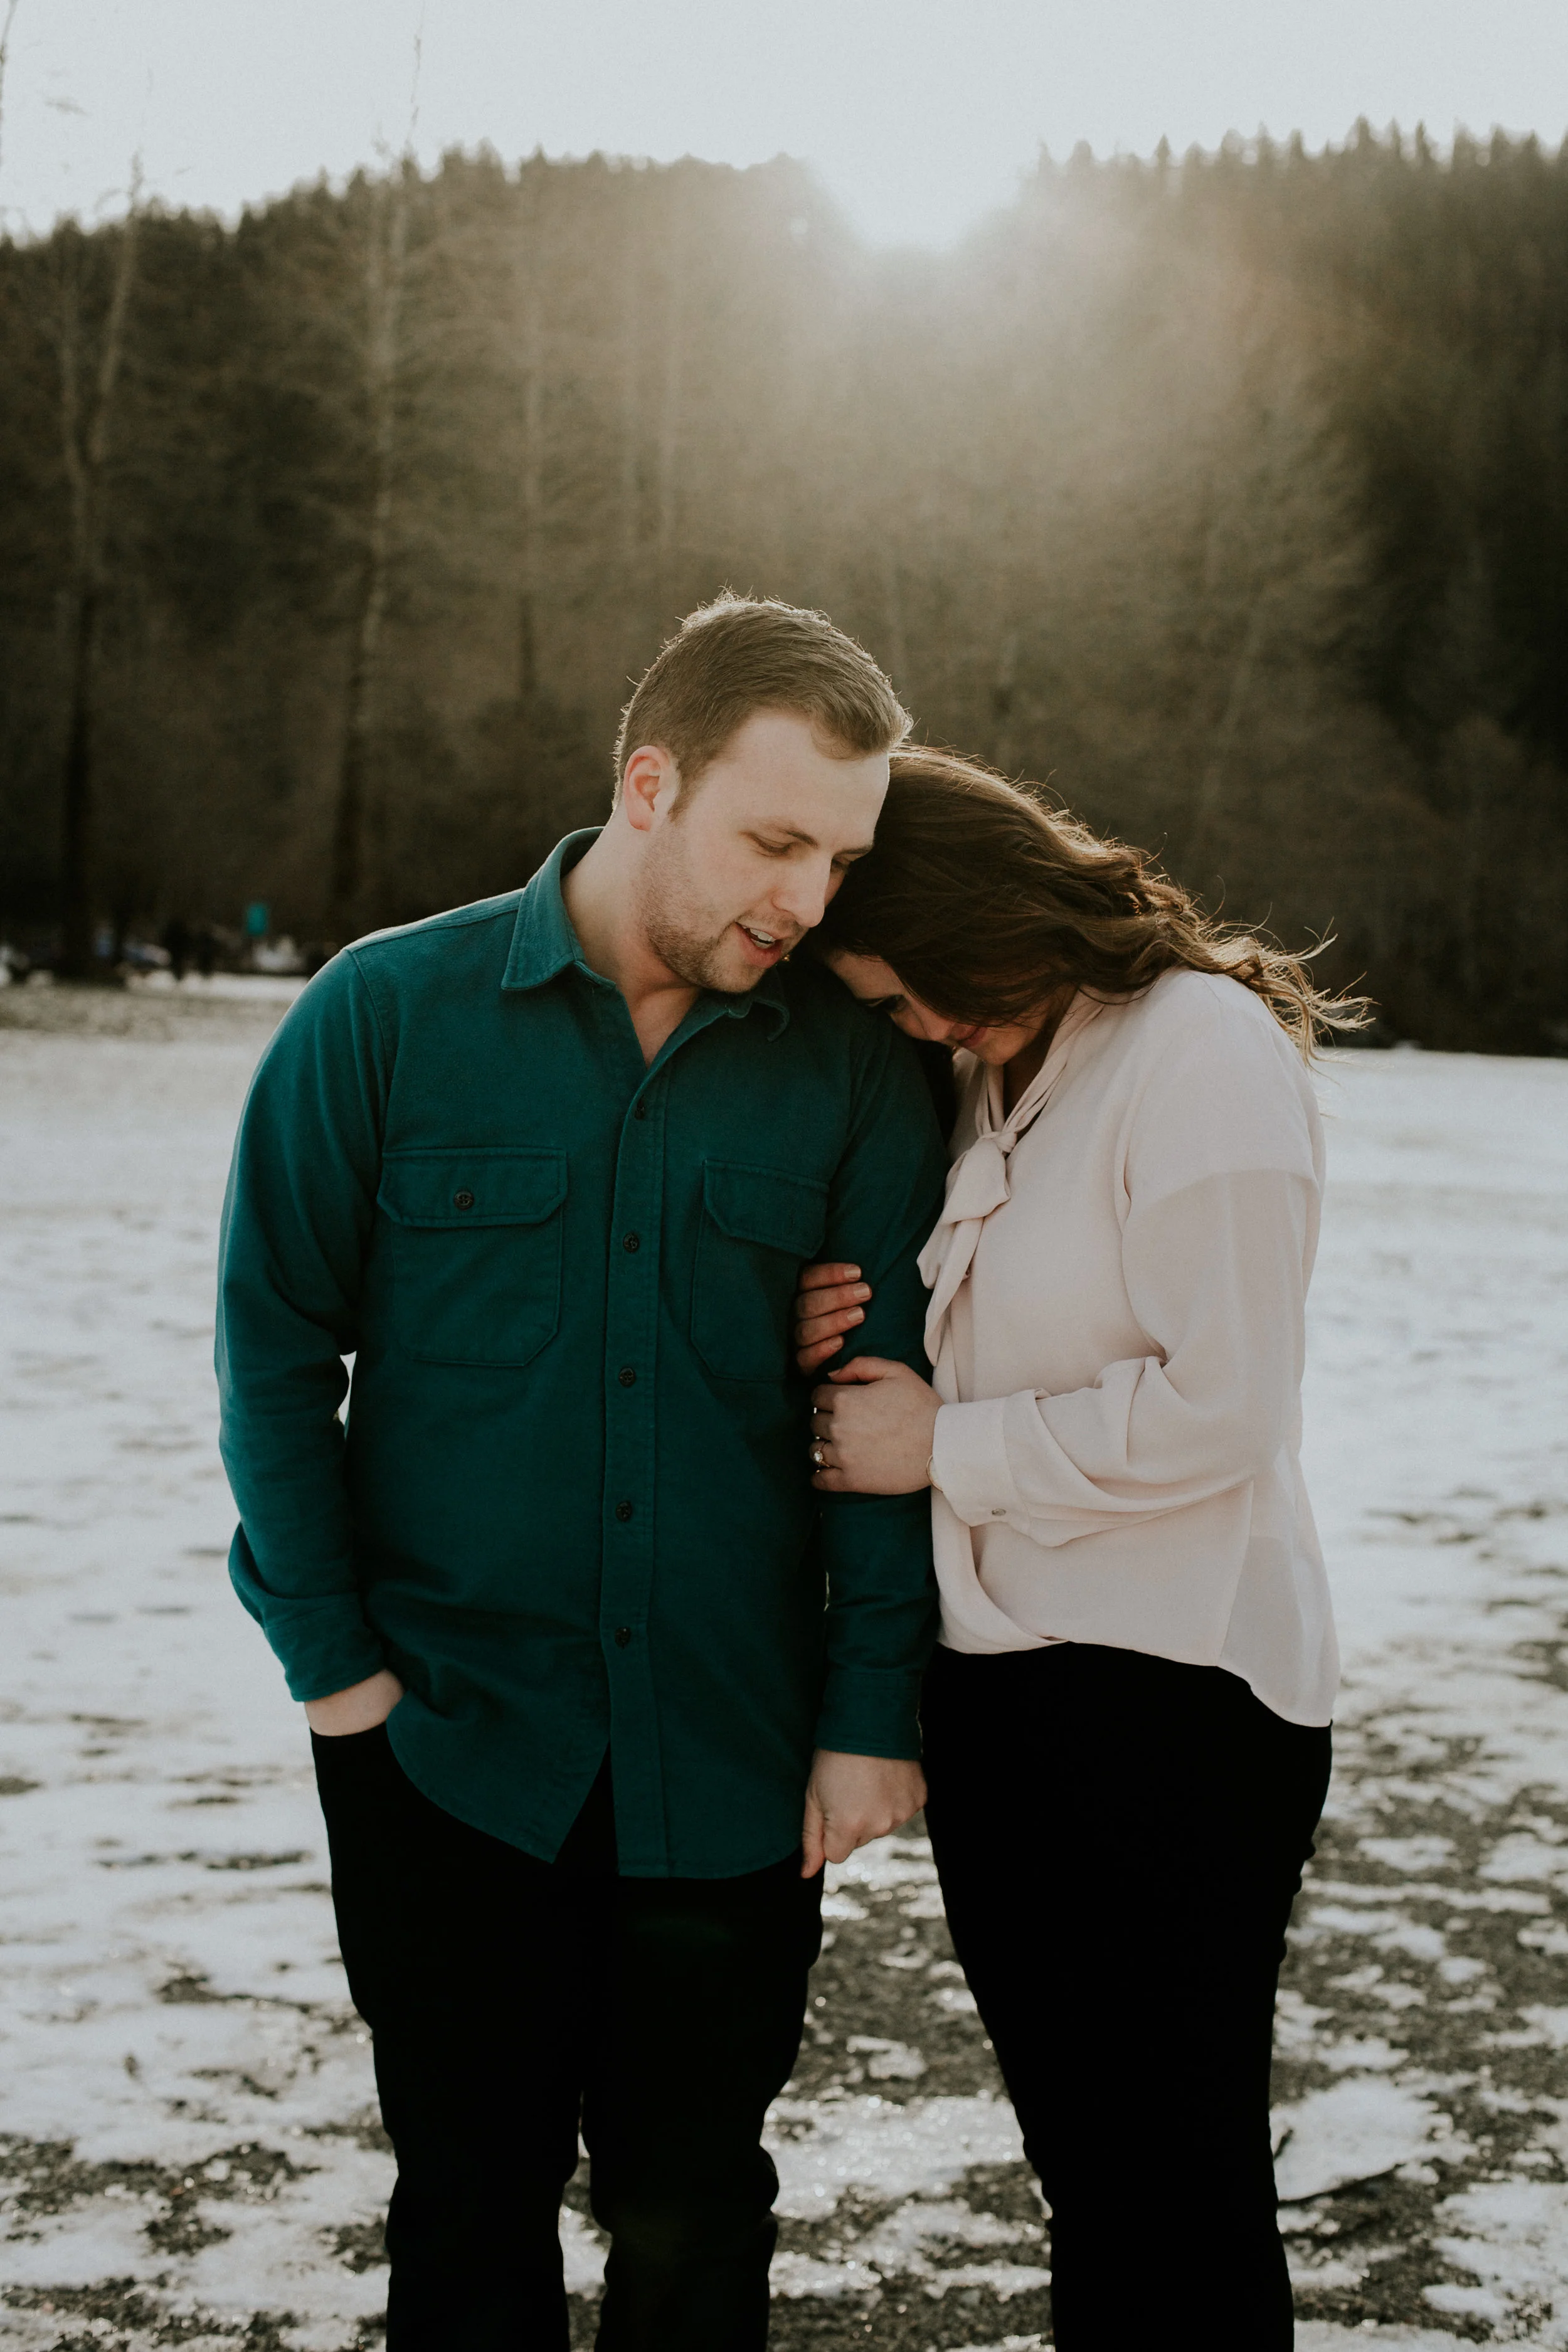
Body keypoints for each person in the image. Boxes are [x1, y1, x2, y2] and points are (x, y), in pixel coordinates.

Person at [215, 596, 948, 2351]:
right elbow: (271, 1352)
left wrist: (868, 1711)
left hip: (730, 1754)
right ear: (647, 785)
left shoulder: (852, 1073)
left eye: (841, 861)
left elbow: (884, 1411)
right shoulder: (382, 1013)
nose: (808, 900)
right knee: (465, 2207)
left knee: (697, 2221)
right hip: (446, 1748)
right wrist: (338, 1678)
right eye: (774, 842)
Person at [796, 747, 1366, 2351]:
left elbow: (1221, 1405)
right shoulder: (998, 1063)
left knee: (1175, 2181)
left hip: (1176, 1696)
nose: (914, 1028)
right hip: (1001, 1691)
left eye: (912, 990)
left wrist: (944, 1448)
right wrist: (828, 1318)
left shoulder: (1197, 1048)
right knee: (1091, 2180)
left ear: (979, 914)